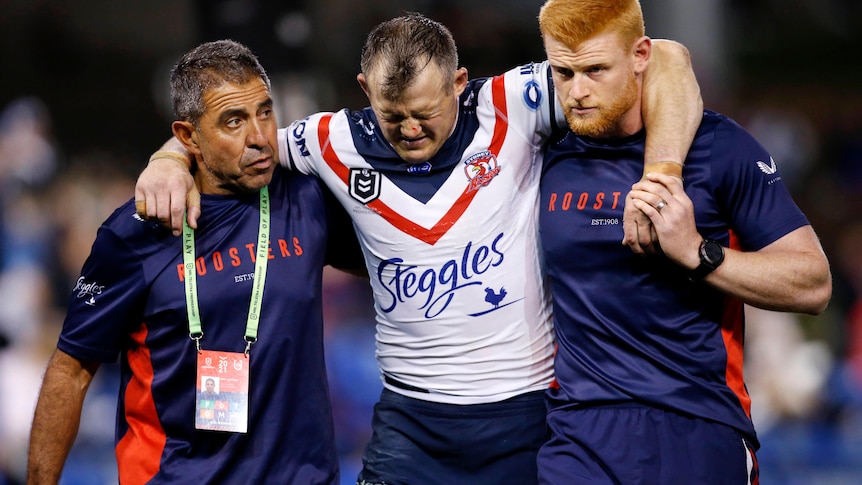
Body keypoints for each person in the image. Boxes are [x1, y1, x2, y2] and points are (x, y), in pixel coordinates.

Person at [134, 13, 703, 485]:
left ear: (460, 83)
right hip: (410, 426)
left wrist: (663, 174)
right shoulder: (330, 140)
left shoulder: (515, 103)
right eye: (392, 116)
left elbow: (668, 59)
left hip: (527, 416)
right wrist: (169, 159)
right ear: (364, 91)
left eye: (425, 114)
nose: (409, 130)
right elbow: (235, 142)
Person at [27, 39, 361, 484]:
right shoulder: (136, 232)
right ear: (188, 136)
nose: (260, 137)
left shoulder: (305, 195)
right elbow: (69, 372)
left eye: (265, 111)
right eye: (233, 121)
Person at [536, 0, 833, 483]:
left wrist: (698, 252)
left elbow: (813, 283)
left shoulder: (718, 148)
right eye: (563, 74)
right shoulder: (543, 152)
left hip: (699, 422)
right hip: (579, 432)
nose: (578, 92)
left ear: (639, 56)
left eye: (595, 70)